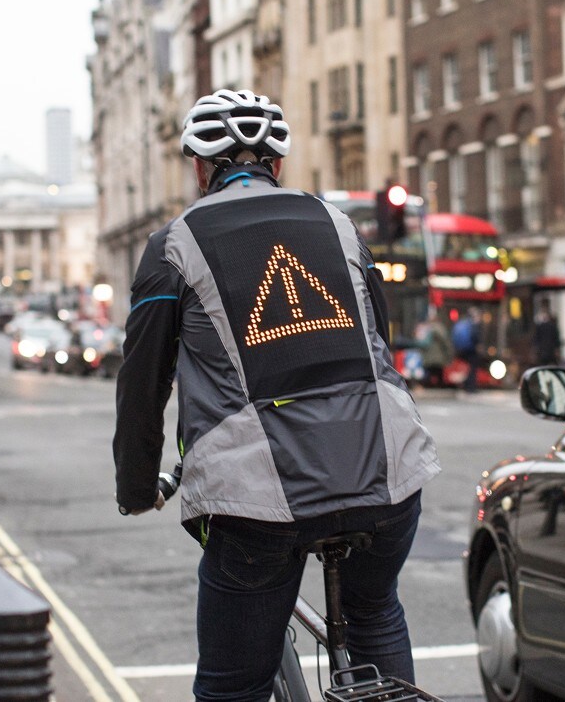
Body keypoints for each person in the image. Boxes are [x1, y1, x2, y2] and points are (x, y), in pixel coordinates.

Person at [112, 89, 441, 701]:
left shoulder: (173, 245)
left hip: (257, 498)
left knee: (233, 686)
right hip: (388, 472)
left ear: (199, 166)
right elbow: (381, 345)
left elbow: (143, 386)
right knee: (374, 612)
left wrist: (135, 488)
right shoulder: (339, 224)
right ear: (278, 165)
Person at [452, 307, 482, 392]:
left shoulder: (461, 323)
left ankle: (463, 385)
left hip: (460, 349)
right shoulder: (473, 324)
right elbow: (475, 337)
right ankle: (471, 387)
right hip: (471, 349)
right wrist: (478, 345)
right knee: (472, 368)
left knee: (464, 368)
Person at [532, 297, 561, 367]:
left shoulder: (552, 319)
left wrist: (556, 349)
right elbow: (536, 336)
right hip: (542, 350)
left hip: (551, 349)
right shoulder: (538, 320)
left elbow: (556, 335)